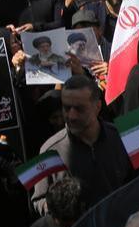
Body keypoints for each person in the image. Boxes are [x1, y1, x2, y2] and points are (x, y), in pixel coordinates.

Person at [32, 75, 133, 212]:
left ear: (97, 107)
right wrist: (58, 207)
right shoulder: (48, 151)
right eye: (67, 108)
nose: (71, 116)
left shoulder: (122, 136)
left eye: (79, 109)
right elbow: (38, 200)